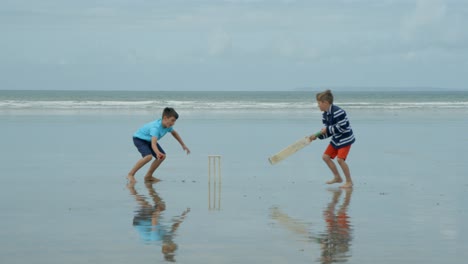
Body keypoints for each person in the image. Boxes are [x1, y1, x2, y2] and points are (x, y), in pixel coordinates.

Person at [128, 107, 190, 183]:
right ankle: (131, 174)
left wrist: (183, 145)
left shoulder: (167, 126)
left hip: (149, 140)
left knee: (162, 156)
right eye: (172, 120)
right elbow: (153, 143)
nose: (173, 123)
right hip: (139, 139)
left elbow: (174, 133)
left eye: (174, 121)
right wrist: (157, 152)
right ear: (165, 118)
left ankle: (148, 176)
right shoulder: (155, 128)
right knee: (148, 157)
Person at [310, 90, 355, 188]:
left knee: (340, 160)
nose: (318, 106)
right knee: (325, 157)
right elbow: (329, 131)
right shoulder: (325, 115)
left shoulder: (338, 112)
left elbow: (343, 127)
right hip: (337, 138)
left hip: (345, 138)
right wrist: (318, 136)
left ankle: (349, 182)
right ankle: (337, 177)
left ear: (325, 103)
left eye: (319, 103)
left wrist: (326, 129)